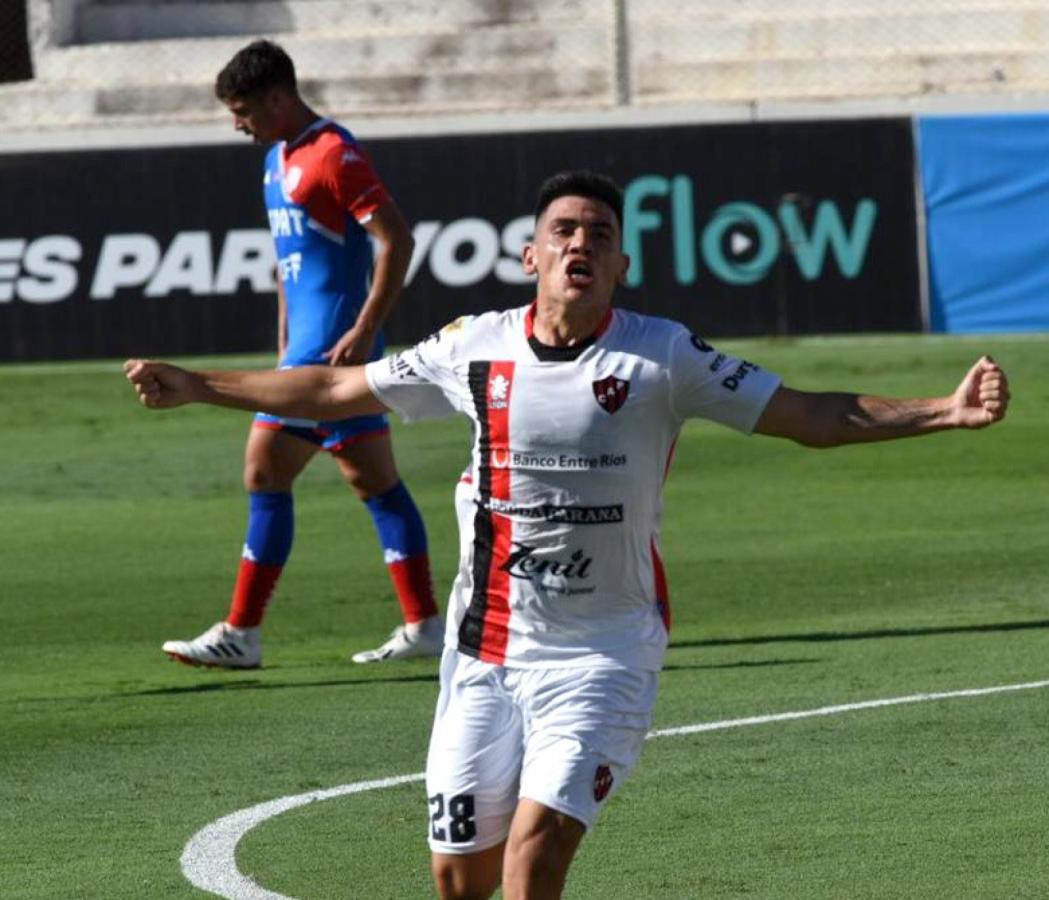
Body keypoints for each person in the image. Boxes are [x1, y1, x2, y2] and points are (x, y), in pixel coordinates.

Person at [125, 171, 1009, 898]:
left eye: (596, 233)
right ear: (530, 257)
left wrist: (942, 410)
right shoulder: (474, 345)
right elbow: (329, 392)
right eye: (562, 231)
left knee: (535, 857)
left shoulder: (665, 357)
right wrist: (199, 384)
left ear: (621, 263)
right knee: (458, 880)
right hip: (482, 656)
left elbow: (807, 414)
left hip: (602, 656)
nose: (578, 243)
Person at [160, 39, 443, 669]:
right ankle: (425, 625)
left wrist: (368, 328)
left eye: (244, 110)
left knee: (265, 470)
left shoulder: (333, 153)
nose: (238, 123)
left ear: (280, 97)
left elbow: (395, 238)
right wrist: (283, 342)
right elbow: (294, 270)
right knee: (374, 481)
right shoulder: (274, 161)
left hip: (334, 353)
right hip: (305, 349)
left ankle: (242, 632)